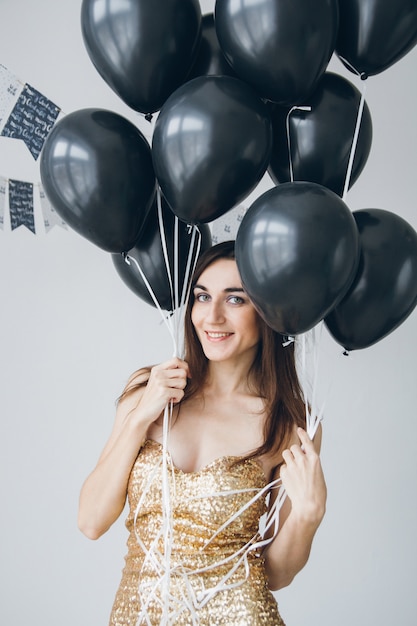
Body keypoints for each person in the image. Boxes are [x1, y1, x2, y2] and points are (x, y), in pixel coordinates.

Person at [78, 240, 327, 625]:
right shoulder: (148, 390)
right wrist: (140, 417)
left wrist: (308, 516)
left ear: (268, 312)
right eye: (202, 296)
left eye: (235, 300)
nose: (211, 317)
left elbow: (275, 575)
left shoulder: (288, 424)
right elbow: (91, 521)